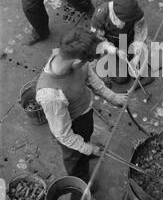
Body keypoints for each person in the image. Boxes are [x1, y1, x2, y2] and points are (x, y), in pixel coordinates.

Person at [36, 27, 128, 184]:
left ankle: (85, 147)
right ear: (78, 61)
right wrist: (87, 148)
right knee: (74, 158)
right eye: (87, 61)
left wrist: (112, 97)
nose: (88, 64)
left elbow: (90, 77)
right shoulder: (51, 95)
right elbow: (64, 135)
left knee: (87, 133)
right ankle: (81, 184)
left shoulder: (73, 57)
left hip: (84, 113)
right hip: (71, 127)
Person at [91, 0, 154, 86]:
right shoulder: (100, 15)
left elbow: (140, 35)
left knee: (140, 71)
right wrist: (116, 51)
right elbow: (99, 40)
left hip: (127, 39)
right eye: (123, 20)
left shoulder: (136, 13)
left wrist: (136, 56)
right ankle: (107, 63)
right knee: (121, 78)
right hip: (109, 43)